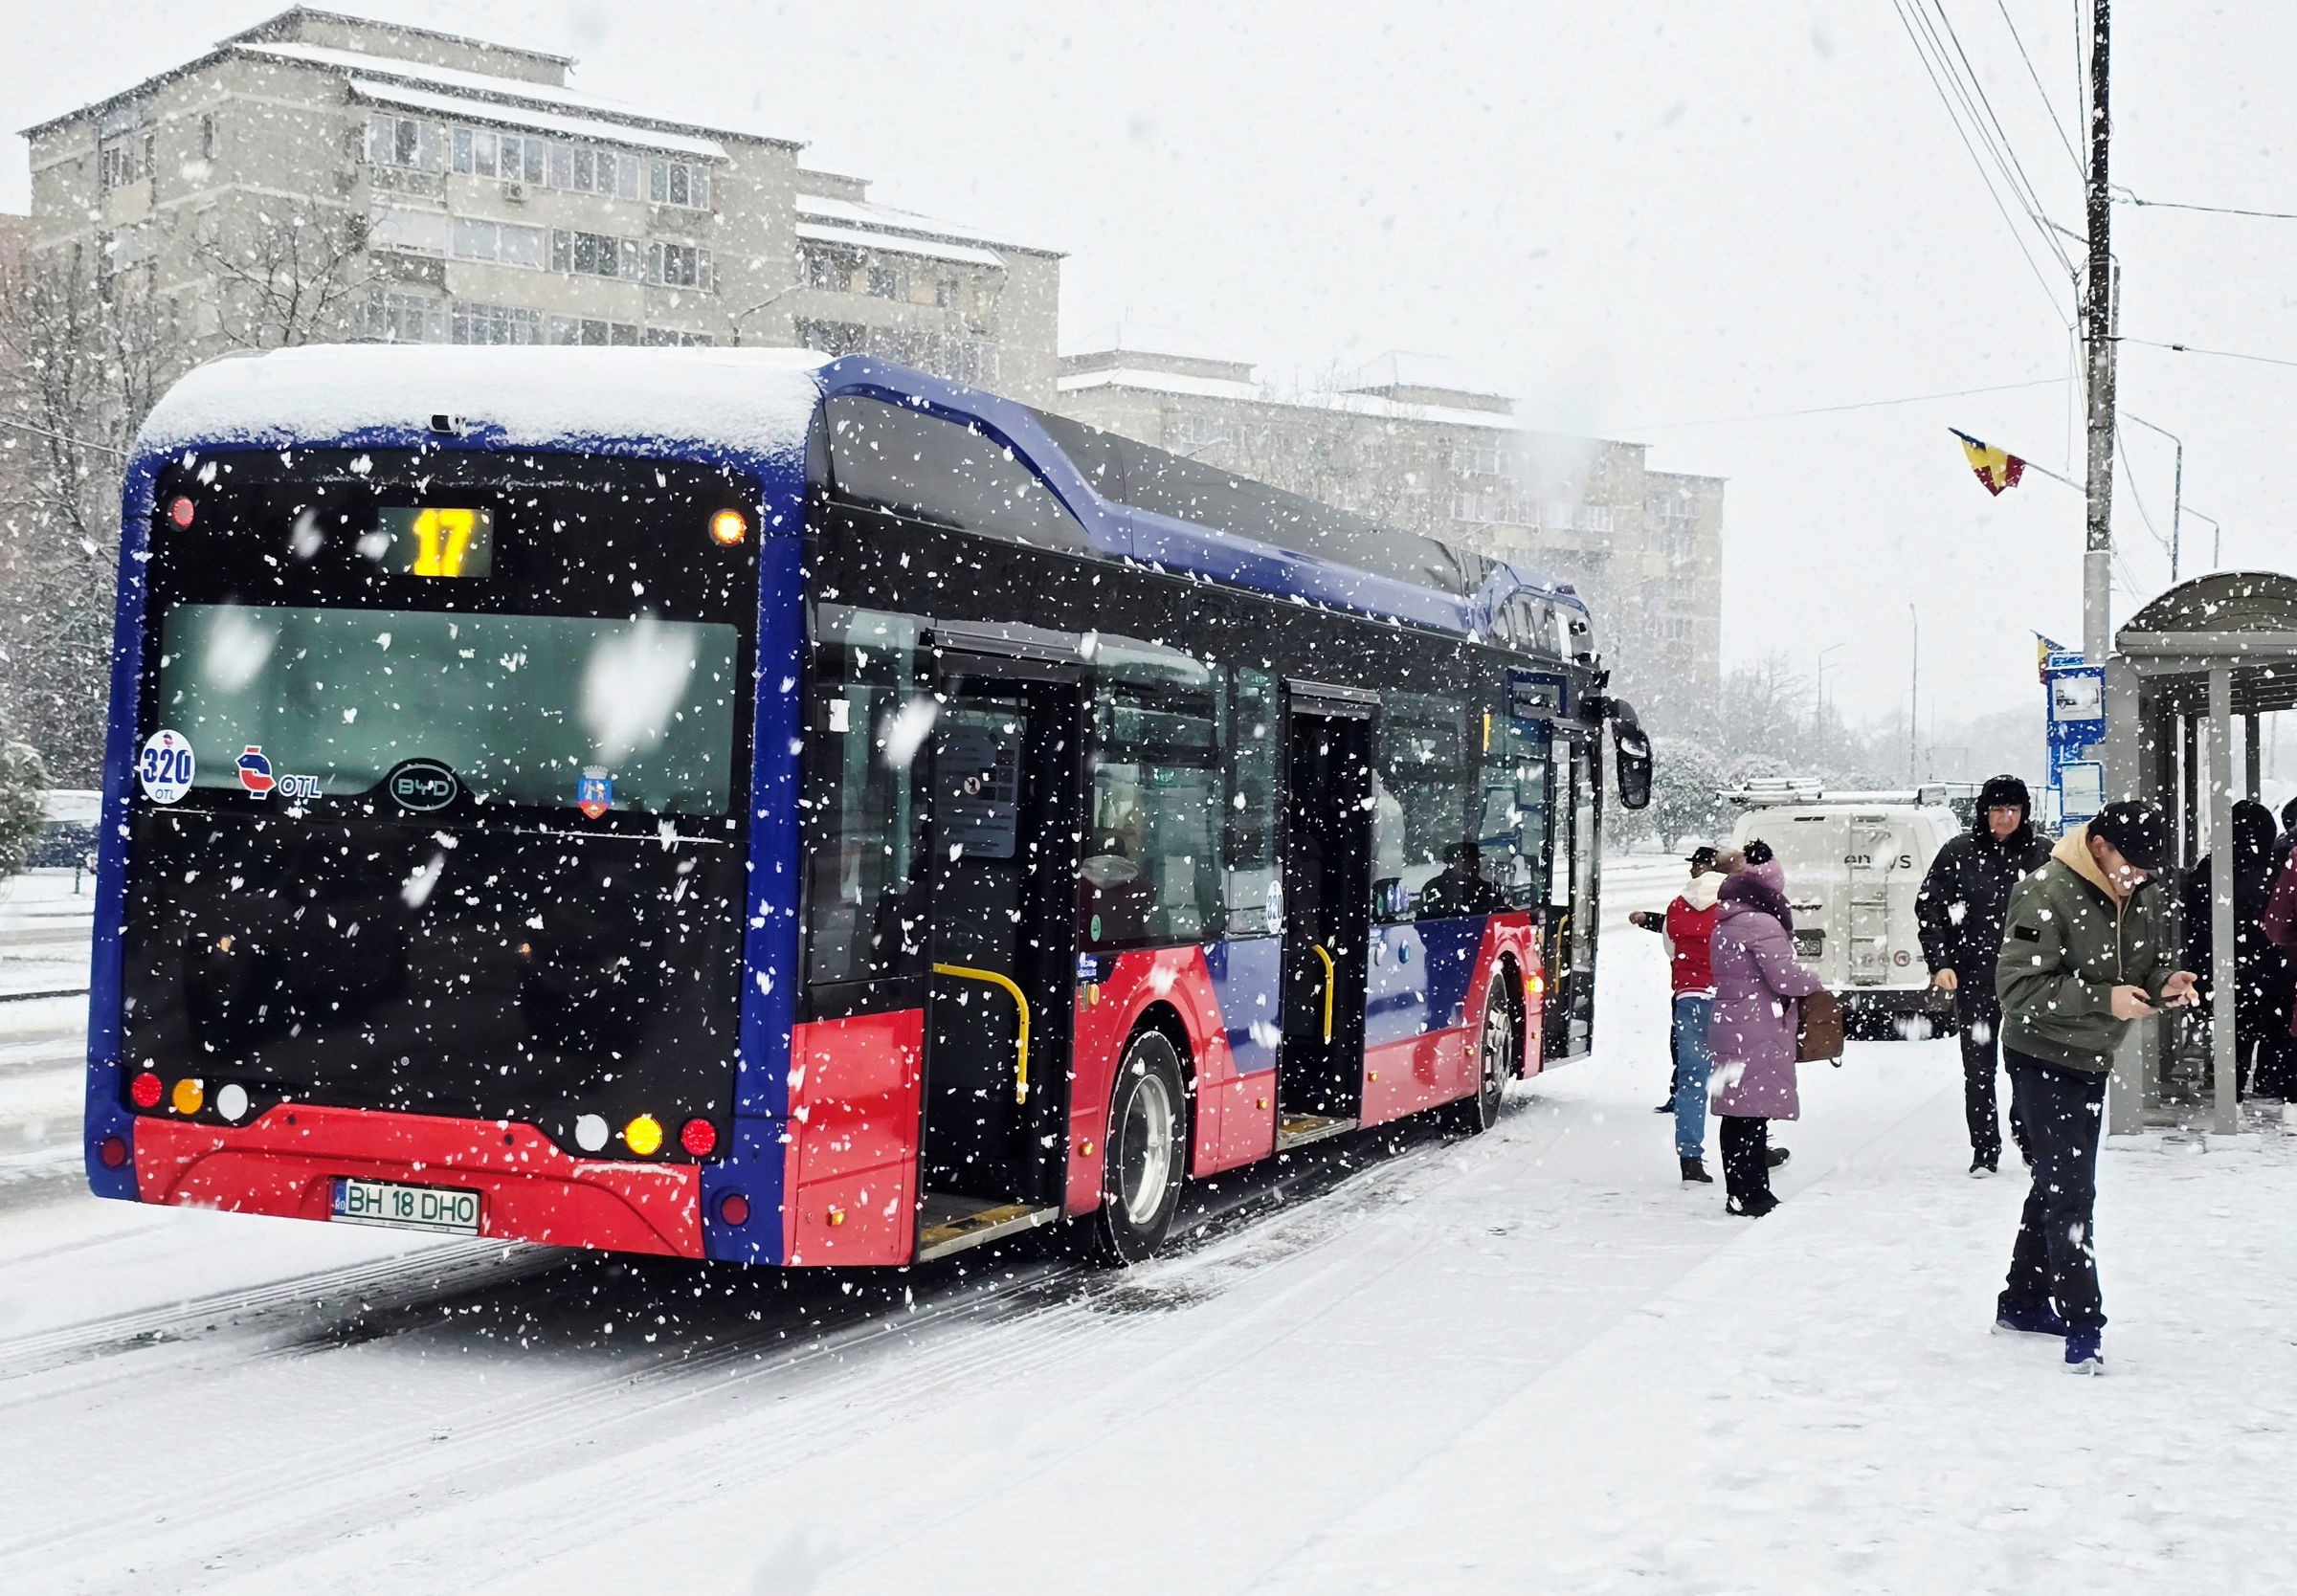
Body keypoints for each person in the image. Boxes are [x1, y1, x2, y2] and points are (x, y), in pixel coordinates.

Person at [1994, 801, 2197, 1374]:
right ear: (2100, 846)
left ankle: (2023, 1301)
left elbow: (2145, 965)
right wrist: (2100, 999)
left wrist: (2165, 983)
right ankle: (2084, 1326)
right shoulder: (2044, 890)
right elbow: (2017, 989)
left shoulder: (2140, 889)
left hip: (2092, 1057)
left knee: (2058, 1179)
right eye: (2133, 865)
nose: (2141, 878)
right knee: (2072, 1191)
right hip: (2041, 1056)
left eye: (2149, 870)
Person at [1916, 773, 2053, 1176]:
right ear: (1984, 812)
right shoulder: (1959, 853)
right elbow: (1930, 907)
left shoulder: (2042, 855)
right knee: (1978, 1069)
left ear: (2024, 812)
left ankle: (2025, 1133)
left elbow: (2061, 915)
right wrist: (1940, 961)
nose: (2005, 817)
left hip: (2027, 981)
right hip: (1973, 976)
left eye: (2013, 809)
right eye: (1997, 809)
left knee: (2026, 1064)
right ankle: (1984, 1148)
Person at [1708, 840, 1827, 1216]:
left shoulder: (1729, 917)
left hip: (1733, 1021)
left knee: (1738, 1113)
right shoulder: (1760, 922)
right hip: (1755, 1024)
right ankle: (1752, 1194)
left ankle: (1741, 1191)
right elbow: (1785, 977)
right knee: (1751, 1116)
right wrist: (1816, 982)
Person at [2180, 798, 2297, 1098]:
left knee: (2236, 1037)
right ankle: (2270, 1089)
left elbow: (2197, 927)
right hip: (2275, 971)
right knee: (2276, 1035)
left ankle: (2230, 1088)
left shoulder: (2212, 870)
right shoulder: (2278, 868)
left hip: (2229, 972)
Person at [1629, 845, 1731, 1180]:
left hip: (1689, 998)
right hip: (1729, 999)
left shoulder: (1677, 905)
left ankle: (1690, 1157)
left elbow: (1671, 948)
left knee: (1691, 1079)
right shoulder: (1733, 906)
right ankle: (1749, 1148)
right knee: (1739, 1078)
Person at [1416, 839, 1508, 920]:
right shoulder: (1434, 888)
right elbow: (1424, 924)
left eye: (1476, 861)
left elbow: (1501, 921)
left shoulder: (1488, 889)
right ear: (1452, 864)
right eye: (1467, 862)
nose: (1474, 866)